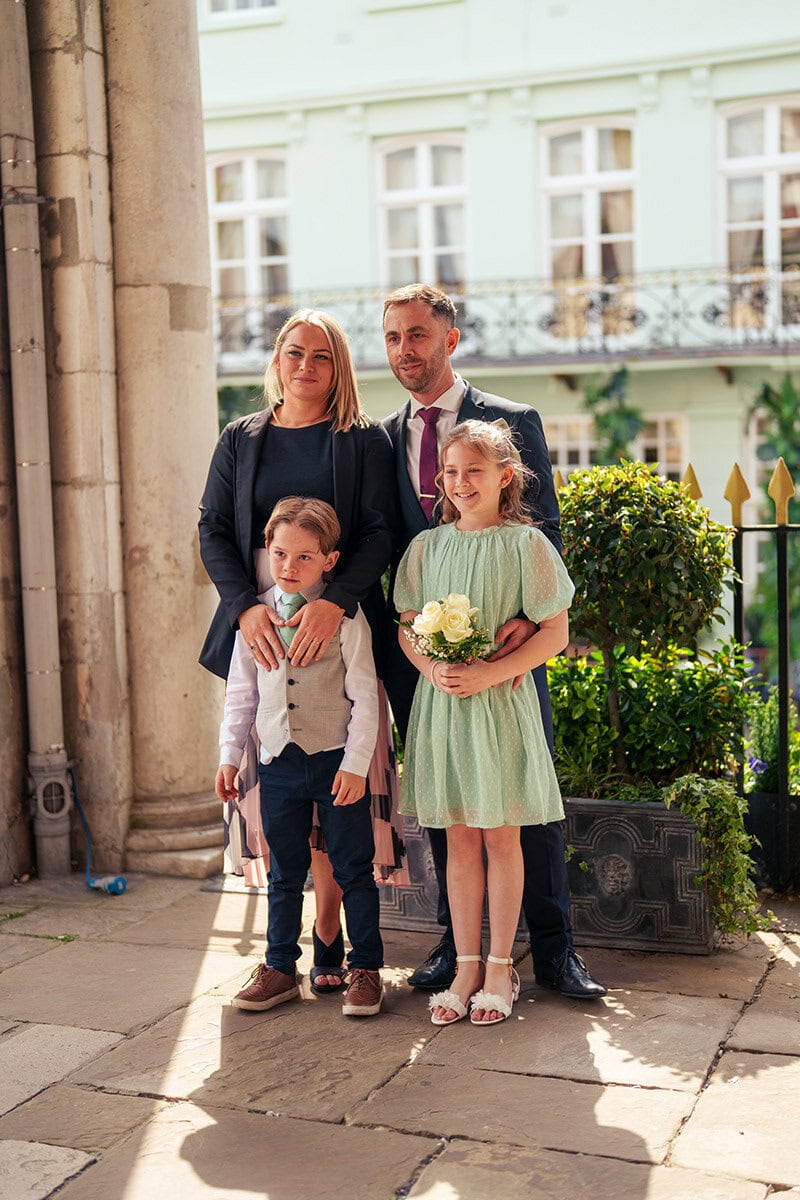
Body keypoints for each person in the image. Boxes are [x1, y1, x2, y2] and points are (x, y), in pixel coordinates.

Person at [382, 283, 606, 1001]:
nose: (403, 351)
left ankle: (553, 950)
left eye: (417, 335)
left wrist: (520, 630)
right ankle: (461, 950)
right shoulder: (382, 436)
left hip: (507, 658)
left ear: (449, 340)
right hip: (431, 661)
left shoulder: (511, 420)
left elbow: (546, 532)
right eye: (392, 338)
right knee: (453, 810)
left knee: (520, 808)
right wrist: (421, 646)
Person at [199, 308, 406, 994]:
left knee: (340, 802)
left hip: (337, 627)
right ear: (277, 360)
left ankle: (338, 950)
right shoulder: (240, 438)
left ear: (338, 366)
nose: (306, 366)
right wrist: (244, 608)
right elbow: (213, 531)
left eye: (321, 356)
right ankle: (301, 955)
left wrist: (335, 600)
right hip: (263, 634)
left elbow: (379, 532)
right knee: (285, 810)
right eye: (295, 353)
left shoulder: (363, 440)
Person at [396, 420, 575, 1024]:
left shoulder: (527, 546)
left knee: (502, 836)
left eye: (474, 471)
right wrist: (433, 668)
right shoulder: (426, 547)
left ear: (506, 477)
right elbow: (406, 623)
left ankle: (502, 966)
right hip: (444, 708)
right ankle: (466, 962)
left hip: (498, 706)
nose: (461, 483)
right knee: (458, 840)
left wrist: (488, 675)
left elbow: (555, 633)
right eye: (451, 472)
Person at [217, 498, 383, 1016]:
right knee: (284, 872)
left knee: (354, 868)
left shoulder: (346, 618)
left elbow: (365, 697)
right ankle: (280, 967)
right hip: (277, 763)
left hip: (335, 761)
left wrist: (356, 764)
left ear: (329, 560)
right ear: (266, 550)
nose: (289, 567)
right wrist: (229, 757)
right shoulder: (253, 617)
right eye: (280, 553)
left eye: (305, 557)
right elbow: (240, 695)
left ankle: (366, 970)